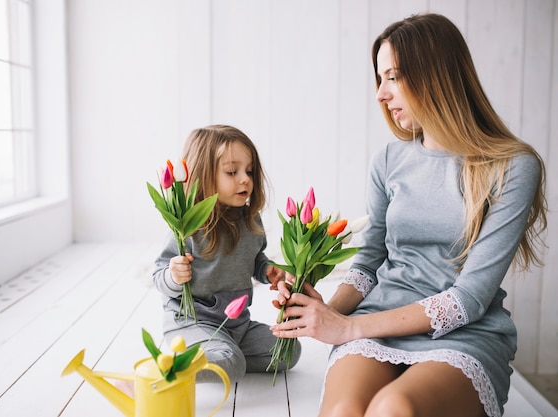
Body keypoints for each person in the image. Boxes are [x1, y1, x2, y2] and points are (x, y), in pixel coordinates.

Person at [271, 13, 547, 417]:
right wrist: (323, 308)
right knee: (344, 410)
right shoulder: (388, 159)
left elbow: (468, 299)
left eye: (393, 77)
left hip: (464, 334)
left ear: (436, 76)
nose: (381, 94)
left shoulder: (512, 166)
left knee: (394, 408)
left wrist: (346, 328)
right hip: (374, 321)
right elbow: (369, 262)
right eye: (379, 79)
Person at [153, 124, 301, 383]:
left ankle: (220, 355)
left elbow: (254, 258)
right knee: (231, 363)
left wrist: (267, 271)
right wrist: (174, 276)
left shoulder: (249, 219)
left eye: (249, 171)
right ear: (203, 175)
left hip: (236, 325)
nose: (245, 179)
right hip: (192, 323)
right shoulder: (188, 226)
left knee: (288, 351)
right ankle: (166, 373)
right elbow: (159, 275)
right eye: (232, 172)